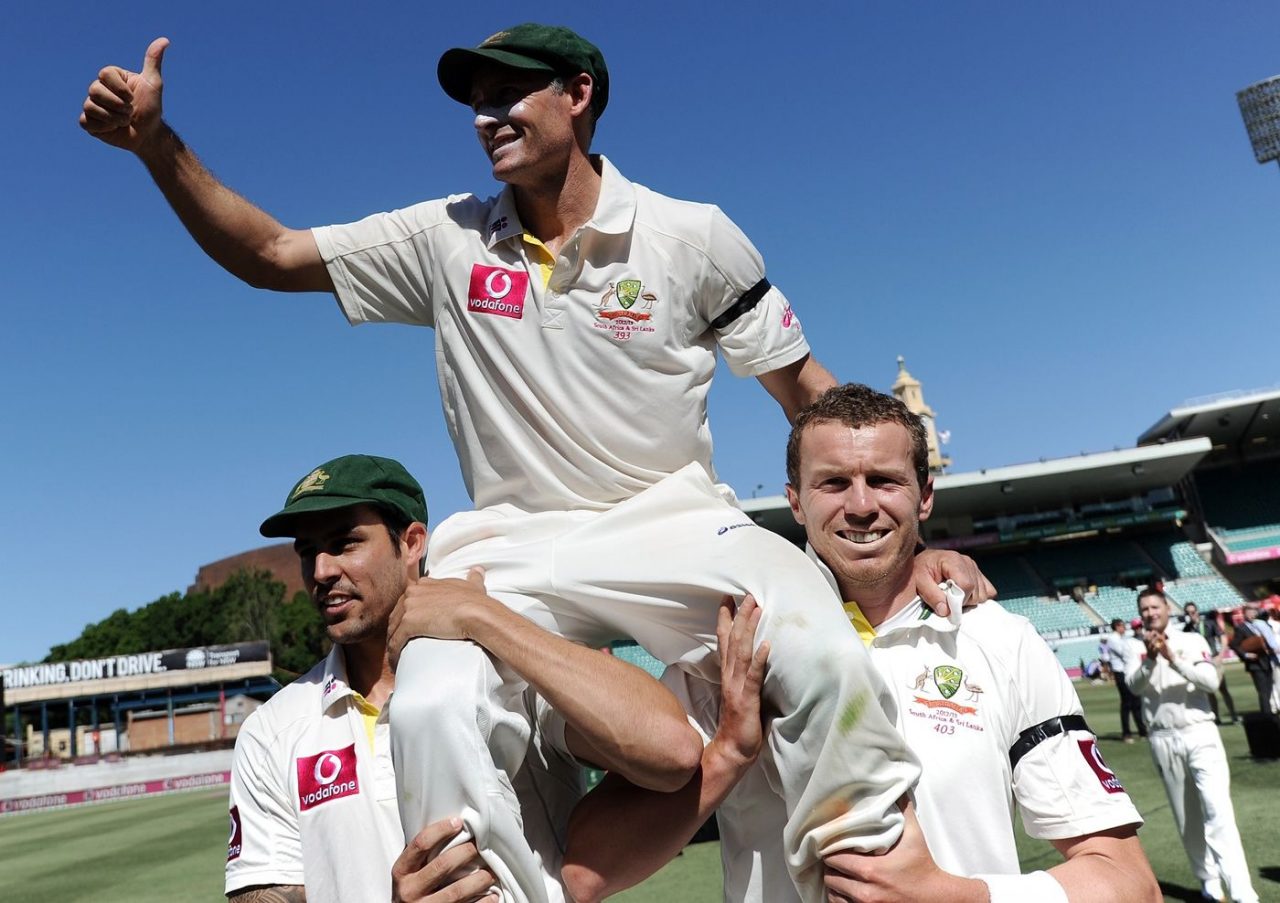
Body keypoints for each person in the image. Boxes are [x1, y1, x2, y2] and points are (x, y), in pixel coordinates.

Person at [81, 27, 993, 901]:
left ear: (580, 96)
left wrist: (917, 544)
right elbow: (271, 254)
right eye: (476, 101)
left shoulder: (694, 235)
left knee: (820, 644)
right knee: (431, 708)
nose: (486, 115)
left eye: (507, 92)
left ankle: (872, 872)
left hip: (669, 518)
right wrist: (156, 144)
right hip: (507, 538)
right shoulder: (444, 237)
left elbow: (810, 397)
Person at [563, 385, 1159, 903]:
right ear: (795, 500)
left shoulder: (1001, 640)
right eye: (833, 483)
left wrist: (959, 896)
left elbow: (1128, 884)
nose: (862, 505)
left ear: (925, 496)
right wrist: (729, 753)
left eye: (884, 481)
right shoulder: (731, 646)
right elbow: (590, 873)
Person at [225, 454, 701, 902]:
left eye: (345, 542)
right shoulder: (273, 730)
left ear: (411, 543)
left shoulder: (501, 667)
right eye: (308, 552)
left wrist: (483, 617)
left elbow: (670, 750)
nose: (322, 571)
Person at [1129, 587, 1260, 903]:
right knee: (1186, 817)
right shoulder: (1136, 648)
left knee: (1218, 810)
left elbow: (1210, 682)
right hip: (1162, 737)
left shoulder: (1191, 640)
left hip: (1199, 731)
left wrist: (1172, 659)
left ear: (1166, 608)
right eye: (1144, 609)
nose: (1150, 613)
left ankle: (1242, 891)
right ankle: (1209, 881)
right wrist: (1150, 660)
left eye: (1154, 607)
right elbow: (1134, 686)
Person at [1184, 602, 1239, 725]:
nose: (1190, 615)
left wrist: (1220, 655)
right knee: (1209, 691)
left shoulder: (1209, 623)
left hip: (1214, 660)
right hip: (1199, 663)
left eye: (1192, 612)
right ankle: (1216, 718)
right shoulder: (1187, 629)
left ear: (1197, 612)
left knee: (1223, 689)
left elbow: (1223, 638)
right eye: (1187, 613)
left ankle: (1233, 715)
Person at [1228, 601, 1280, 716]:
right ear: (1244, 613)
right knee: (1263, 692)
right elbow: (1234, 644)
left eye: (1253, 611)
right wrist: (1245, 655)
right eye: (1249, 612)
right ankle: (1266, 715)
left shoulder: (1262, 625)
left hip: (1267, 661)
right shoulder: (1241, 628)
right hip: (1255, 664)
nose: (1252, 614)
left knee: (1269, 689)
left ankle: (1270, 713)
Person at [1101, 618, 1146, 742]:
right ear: (1117, 627)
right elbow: (1125, 652)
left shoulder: (1121, 639)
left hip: (1126, 671)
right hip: (1120, 672)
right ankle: (1126, 733)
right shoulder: (1113, 639)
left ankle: (1142, 730)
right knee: (1127, 703)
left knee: (1135, 701)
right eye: (1122, 626)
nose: (1124, 628)